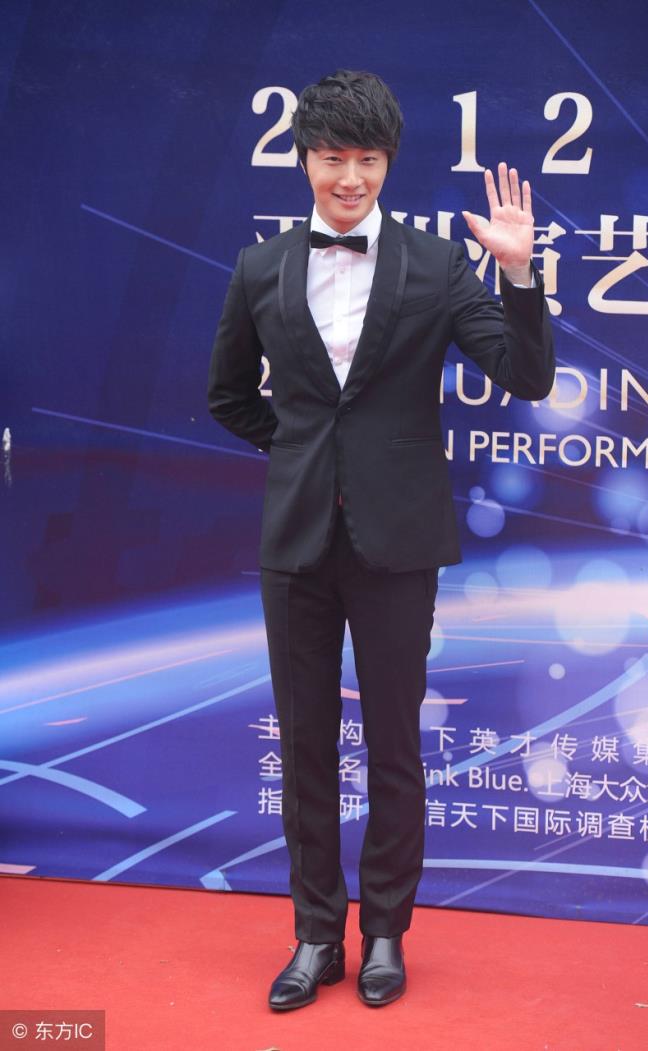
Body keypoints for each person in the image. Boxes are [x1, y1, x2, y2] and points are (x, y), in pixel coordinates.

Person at [207, 69, 555, 1011]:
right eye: (333, 158)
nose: (350, 178)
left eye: (367, 159)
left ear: (389, 163)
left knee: (395, 744)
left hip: (399, 542)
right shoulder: (260, 267)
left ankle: (387, 932)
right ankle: (316, 934)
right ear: (304, 161)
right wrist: (302, 452)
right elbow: (227, 394)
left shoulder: (436, 266)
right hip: (297, 542)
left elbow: (525, 375)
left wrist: (518, 273)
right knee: (305, 745)